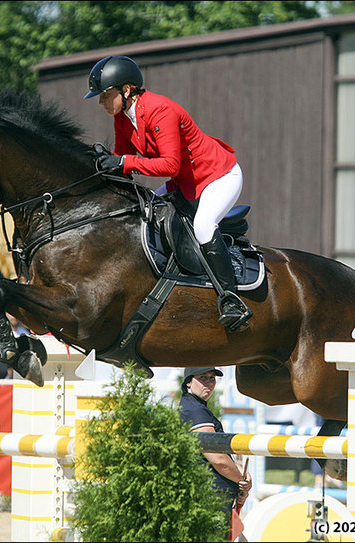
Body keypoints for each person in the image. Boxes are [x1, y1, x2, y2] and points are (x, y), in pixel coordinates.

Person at [84, 55, 252, 332]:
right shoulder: (124, 118)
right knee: (146, 211)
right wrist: (102, 164)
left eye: (105, 95)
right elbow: (123, 161)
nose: (101, 102)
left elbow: (169, 164)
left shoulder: (161, 110)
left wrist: (124, 162)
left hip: (218, 176)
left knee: (203, 226)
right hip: (184, 182)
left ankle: (231, 299)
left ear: (126, 91)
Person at [178, 367, 252, 520]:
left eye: (212, 378)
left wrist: (239, 473)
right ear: (188, 383)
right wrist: (241, 480)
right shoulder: (195, 410)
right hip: (211, 495)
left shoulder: (194, 406)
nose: (209, 383)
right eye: (203, 378)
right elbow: (217, 458)